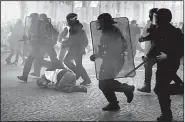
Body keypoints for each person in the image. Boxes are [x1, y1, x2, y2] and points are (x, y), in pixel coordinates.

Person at [140, 8, 184, 121]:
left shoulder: (175, 32)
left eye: (157, 17)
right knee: (160, 89)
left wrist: (168, 55)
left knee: (160, 89)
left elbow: (181, 49)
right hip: (162, 64)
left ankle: (167, 113)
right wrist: (148, 56)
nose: (155, 19)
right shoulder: (159, 30)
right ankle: (166, 114)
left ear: (161, 18)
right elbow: (156, 46)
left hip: (171, 63)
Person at [90, 13, 135, 111]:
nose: (99, 24)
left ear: (105, 22)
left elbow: (112, 48)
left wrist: (97, 55)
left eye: (101, 22)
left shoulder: (112, 32)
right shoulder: (110, 31)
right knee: (107, 82)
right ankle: (114, 103)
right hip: (112, 60)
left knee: (103, 83)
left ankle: (125, 90)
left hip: (113, 61)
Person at [62, 13, 91, 85]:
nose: (68, 21)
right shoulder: (73, 28)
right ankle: (85, 78)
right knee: (78, 65)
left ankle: (79, 75)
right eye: (67, 20)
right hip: (74, 49)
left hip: (77, 50)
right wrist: (66, 43)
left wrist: (67, 43)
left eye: (69, 20)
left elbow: (80, 41)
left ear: (73, 19)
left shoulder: (77, 29)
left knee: (70, 62)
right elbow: (72, 39)